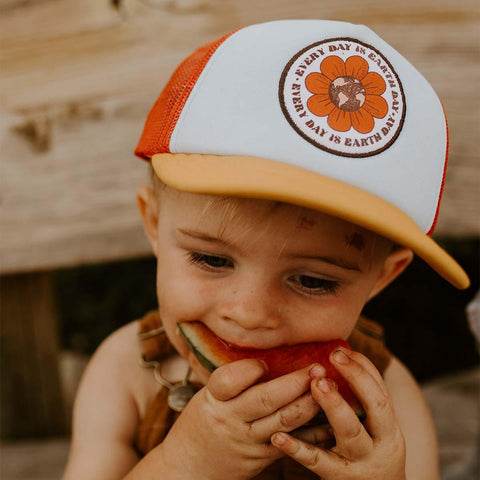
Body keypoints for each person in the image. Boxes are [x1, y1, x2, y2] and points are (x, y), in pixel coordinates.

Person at [62, 19, 470, 480]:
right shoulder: (127, 371)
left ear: (382, 278)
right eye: (212, 259)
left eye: (313, 281)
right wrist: (186, 463)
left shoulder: (384, 394)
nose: (251, 313)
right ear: (154, 224)